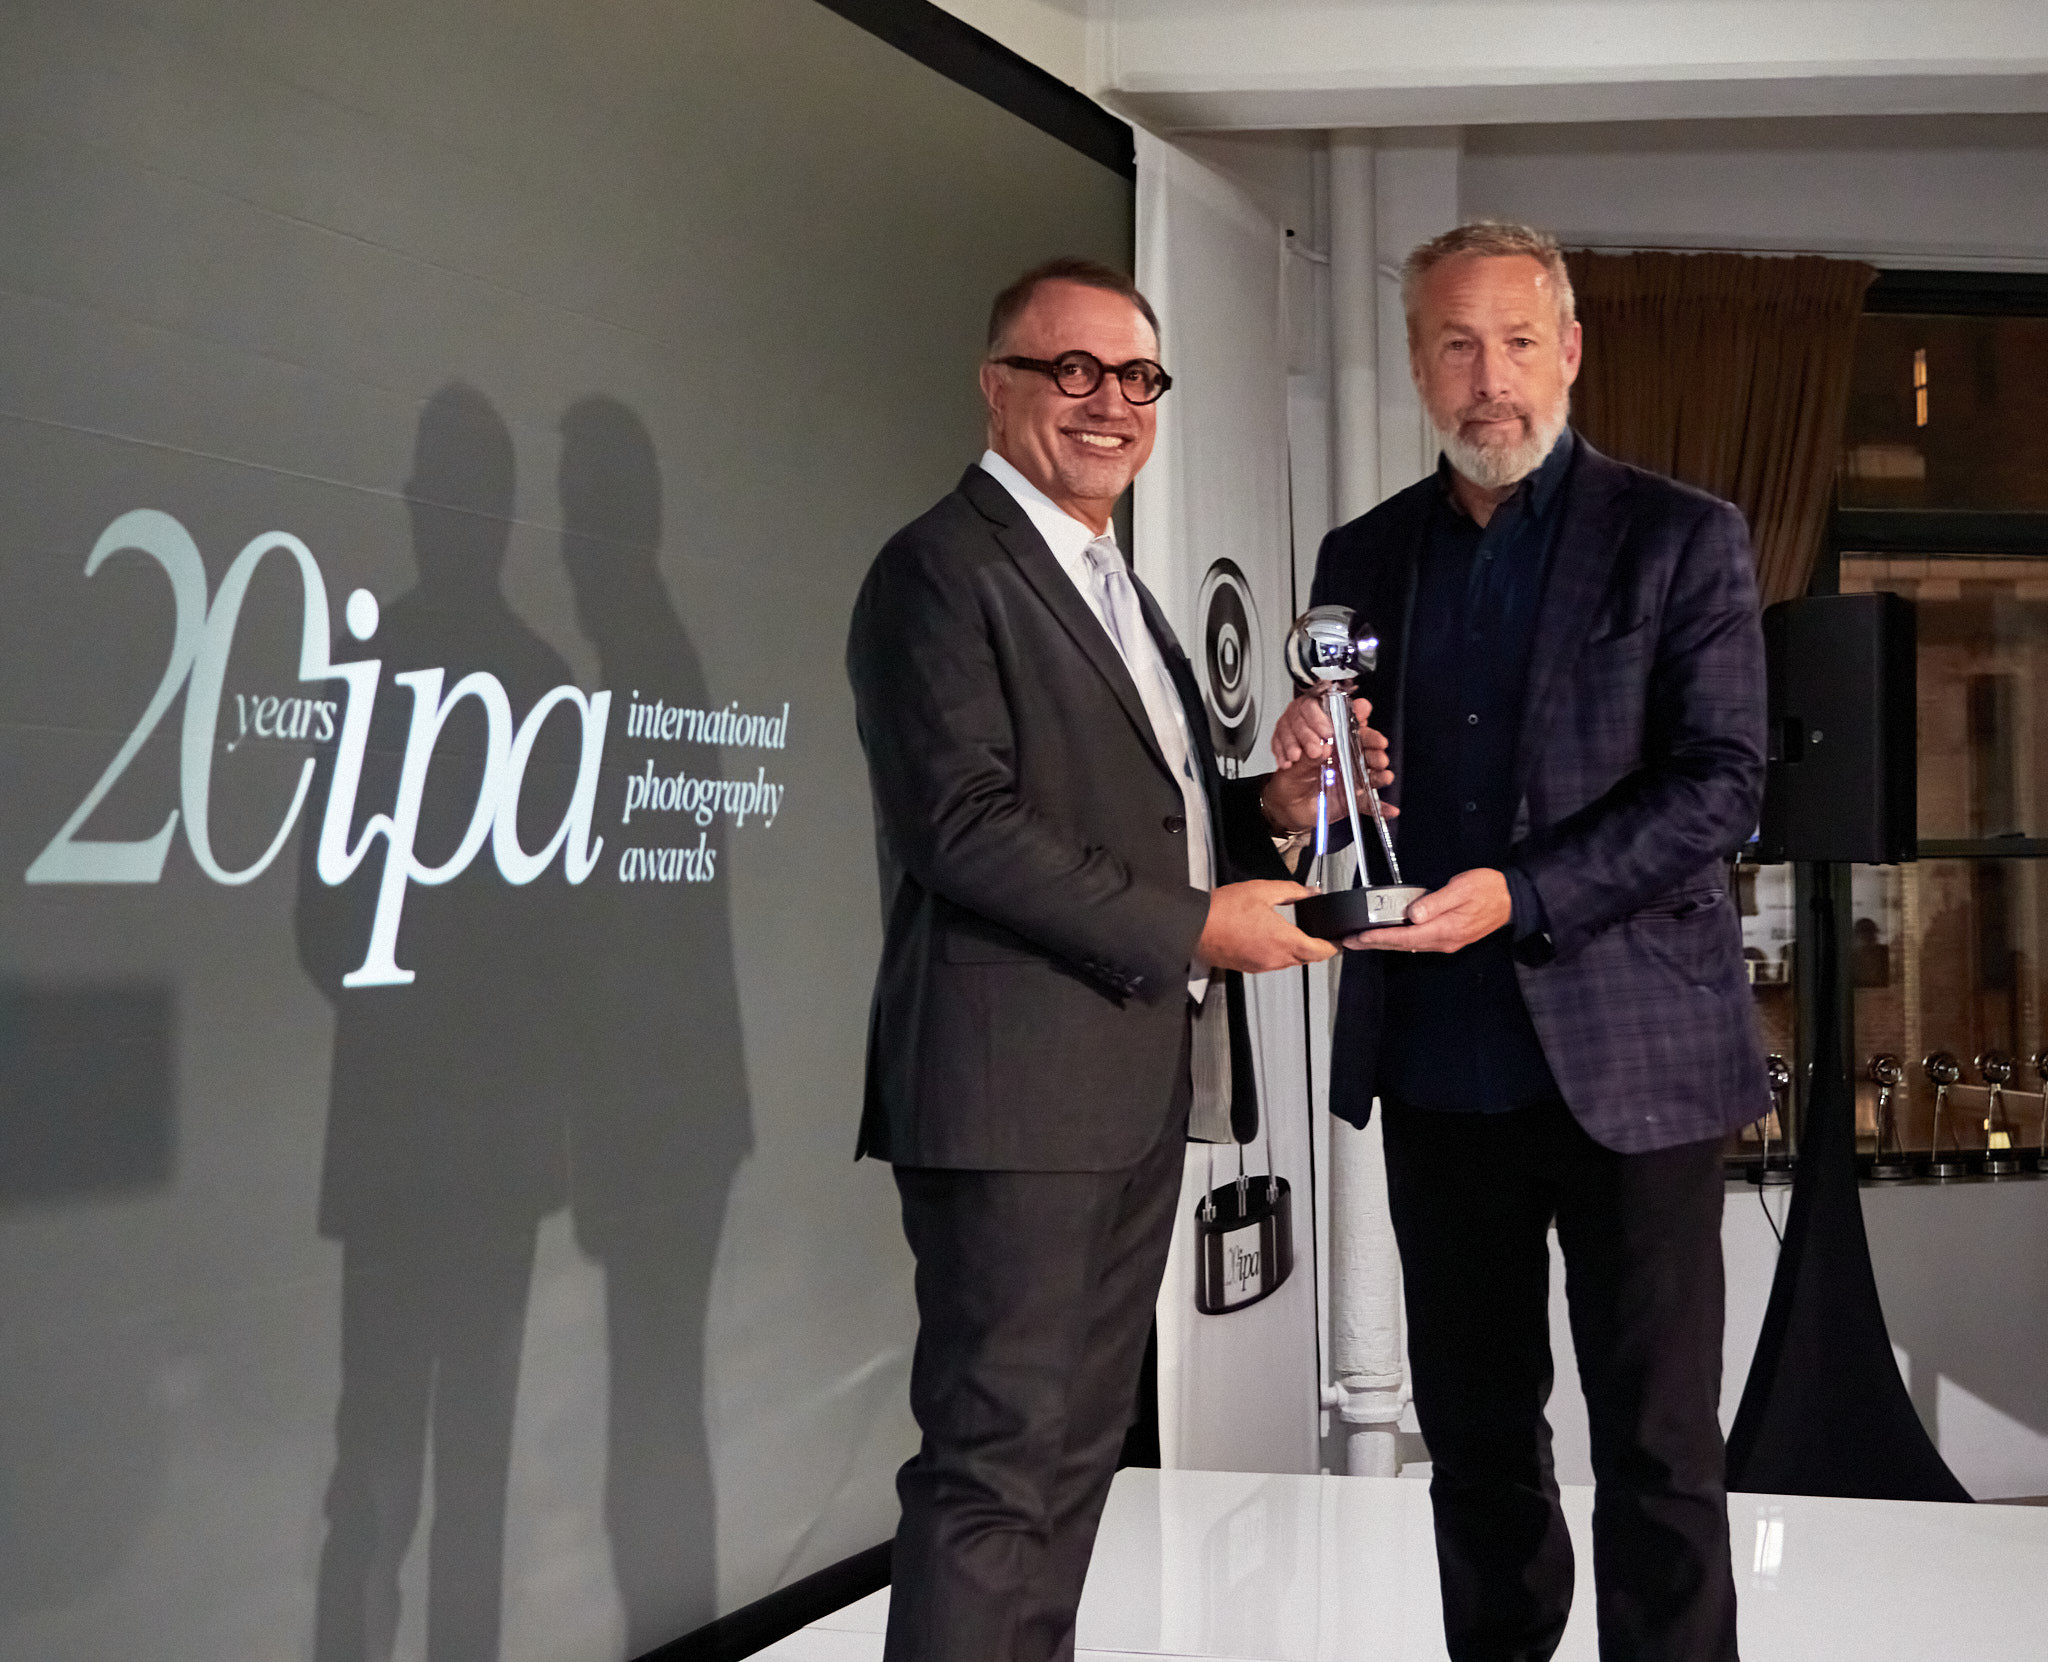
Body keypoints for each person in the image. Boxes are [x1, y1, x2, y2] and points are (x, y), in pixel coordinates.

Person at [1273, 221, 1767, 1662]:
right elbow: (1350, 791)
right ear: (1419, 364)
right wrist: (1308, 782)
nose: (1489, 378)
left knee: (1658, 1443)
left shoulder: (1681, 535)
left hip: (1638, 1067)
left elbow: (1722, 784)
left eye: (1516, 341)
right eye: (1455, 345)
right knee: (1477, 1438)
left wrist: (1525, 891)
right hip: (1440, 1059)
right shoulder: (1361, 556)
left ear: (1570, 350)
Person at [847, 257, 1342, 1662]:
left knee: (1070, 1464)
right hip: (1014, 1099)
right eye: (1071, 369)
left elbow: (1145, 816)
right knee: (997, 1466)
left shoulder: (1108, 577)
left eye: (1136, 376)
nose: (1108, 401)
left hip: (1123, 1087)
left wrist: (1273, 806)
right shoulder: (940, 570)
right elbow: (963, 826)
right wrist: (1197, 927)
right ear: (995, 384)